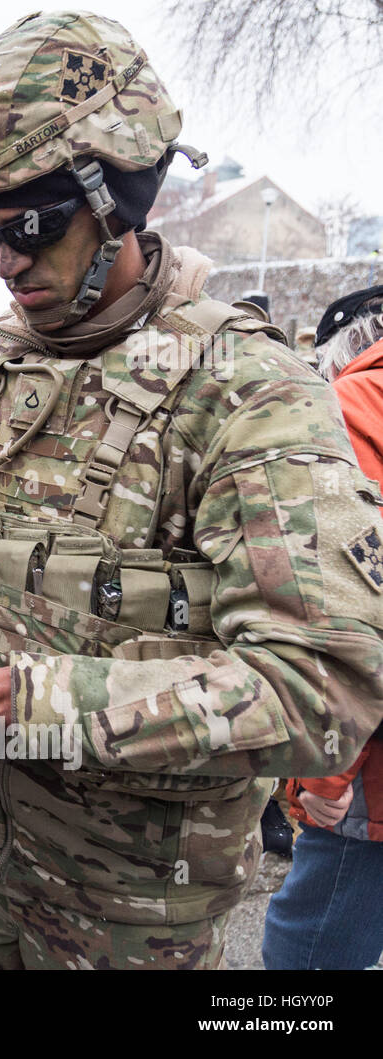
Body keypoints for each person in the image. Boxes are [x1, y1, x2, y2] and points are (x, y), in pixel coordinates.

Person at [0, 10, 383, 969]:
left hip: (137, 915)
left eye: (30, 224)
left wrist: (17, 700)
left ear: (120, 198)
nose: (5, 257)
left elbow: (323, 683)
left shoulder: (242, 389)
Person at [262, 288, 383, 969]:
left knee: (308, 953)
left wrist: (325, 776)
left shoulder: (353, 408)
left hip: (369, 773)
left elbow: (356, 606)